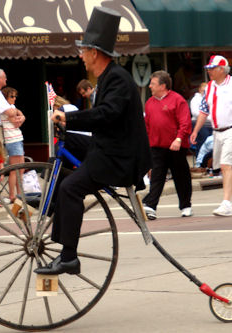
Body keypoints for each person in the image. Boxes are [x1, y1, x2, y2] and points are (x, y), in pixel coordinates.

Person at [34, 7, 151, 275]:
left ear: (94, 53)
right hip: (109, 147)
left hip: (120, 159)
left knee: (72, 188)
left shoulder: (118, 80)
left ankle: (69, 256)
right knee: (65, 160)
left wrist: (68, 118)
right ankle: (54, 202)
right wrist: (69, 126)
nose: (80, 55)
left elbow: (107, 115)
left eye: (83, 50)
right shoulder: (108, 77)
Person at [190, 55, 232, 217]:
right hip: (218, 131)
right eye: (209, 69)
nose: (209, 71)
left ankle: (226, 202)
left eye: (212, 68)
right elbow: (203, 112)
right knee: (230, 166)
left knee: (225, 165)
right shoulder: (209, 87)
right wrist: (195, 130)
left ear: (222, 69)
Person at [141, 70, 193, 219]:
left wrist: (179, 139)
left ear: (163, 86)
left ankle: (186, 205)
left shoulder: (178, 100)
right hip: (157, 147)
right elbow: (147, 126)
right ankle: (151, 206)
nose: (150, 86)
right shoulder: (149, 103)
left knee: (181, 176)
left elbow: (185, 122)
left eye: (153, 83)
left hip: (176, 146)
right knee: (157, 177)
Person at [0, 87, 26, 201]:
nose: (14, 98)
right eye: (12, 96)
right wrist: (20, 116)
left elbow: (20, 117)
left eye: (15, 96)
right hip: (12, 140)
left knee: (21, 169)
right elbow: (16, 122)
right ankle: (12, 195)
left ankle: (19, 194)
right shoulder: (6, 109)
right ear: (5, 98)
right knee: (15, 170)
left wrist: (21, 116)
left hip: (18, 138)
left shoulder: (12, 108)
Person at [53, 96, 92, 167]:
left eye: (54, 109)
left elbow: (66, 123)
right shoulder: (70, 108)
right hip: (84, 142)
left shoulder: (65, 109)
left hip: (81, 143)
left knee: (60, 146)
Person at [190, 82, 212, 152]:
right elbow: (195, 112)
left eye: (206, 91)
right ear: (199, 90)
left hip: (211, 125)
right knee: (203, 143)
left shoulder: (211, 99)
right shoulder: (195, 99)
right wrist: (208, 117)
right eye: (203, 91)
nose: (204, 93)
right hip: (198, 124)